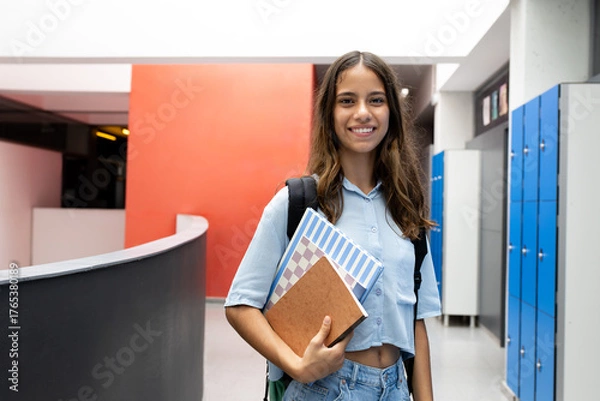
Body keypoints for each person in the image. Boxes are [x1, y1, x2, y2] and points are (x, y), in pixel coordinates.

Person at [224, 50, 441, 401]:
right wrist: (295, 365)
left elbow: (418, 320)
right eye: (347, 101)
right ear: (330, 113)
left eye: (376, 100)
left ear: (391, 113)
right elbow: (240, 305)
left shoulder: (405, 210)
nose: (362, 113)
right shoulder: (298, 203)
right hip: (325, 388)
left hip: (396, 387)